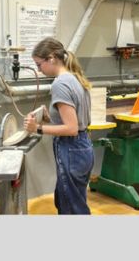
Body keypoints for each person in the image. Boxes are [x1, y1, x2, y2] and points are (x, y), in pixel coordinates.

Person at [23, 37, 94, 214]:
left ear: (52, 58)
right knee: (70, 200)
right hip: (82, 147)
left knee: (71, 208)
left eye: (39, 65)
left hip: (71, 149)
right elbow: (77, 123)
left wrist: (37, 128)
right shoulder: (75, 78)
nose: (39, 70)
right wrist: (49, 119)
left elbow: (71, 129)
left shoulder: (60, 84)